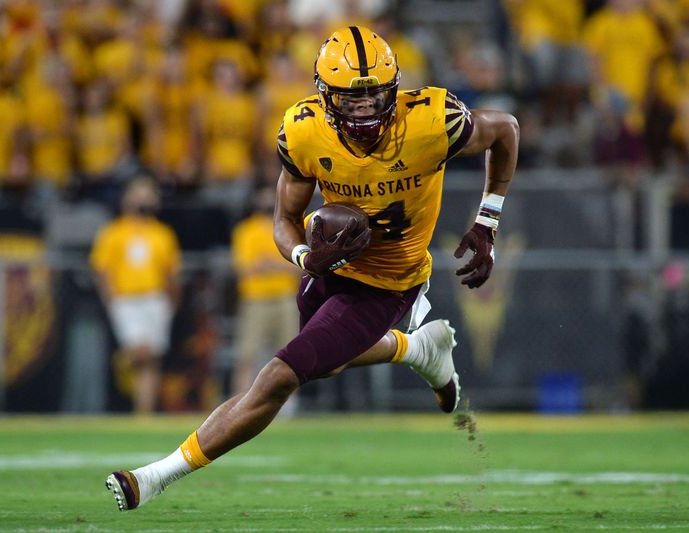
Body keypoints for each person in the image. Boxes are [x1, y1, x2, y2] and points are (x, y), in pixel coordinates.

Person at [105, 26, 519, 511]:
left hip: (389, 281)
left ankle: (153, 477)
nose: (365, 111)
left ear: (395, 89)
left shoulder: (433, 119)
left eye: (374, 97)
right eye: (352, 99)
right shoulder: (303, 129)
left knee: (282, 374)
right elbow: (283, 219)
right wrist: (305, 256)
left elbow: (505, 129)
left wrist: (487, 222)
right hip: (332, 268)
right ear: (325, 97)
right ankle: (417, 349)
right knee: (331, 358)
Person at [90, 177, 181, 414]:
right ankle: (123, 360)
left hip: (155, 298)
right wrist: (110, 298)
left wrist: (171, 301)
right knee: (141, 352)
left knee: (152, 360)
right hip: (126, 300)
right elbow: (103, 269)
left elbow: (171, 272)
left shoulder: (162, 233)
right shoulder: (114, 232)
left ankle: (143, 413)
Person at [229, 186, 300, 396]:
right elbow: (245, 269)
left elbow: (300, 267)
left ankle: (287, 409)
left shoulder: (291, 228)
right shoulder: (245, 230)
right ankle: (239, 404)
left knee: (292, 357)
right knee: (247, 356)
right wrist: (279, 267)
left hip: (285, 299)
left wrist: (270, 266)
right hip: (255, 300)